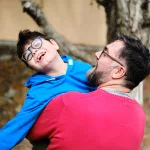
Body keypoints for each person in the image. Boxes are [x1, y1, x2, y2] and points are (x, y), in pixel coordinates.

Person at [27, 33, 150, 150]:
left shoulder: (68, 103)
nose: (97, 54)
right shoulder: (139, 115)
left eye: (104, 53)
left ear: (118, 72)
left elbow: (30, 131)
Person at [0, 29, 96, 149]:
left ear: (54, 44)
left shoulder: (84, 70)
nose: (34, 52)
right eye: (28, 55)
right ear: (32, 67)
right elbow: (17, 126)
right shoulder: (39, 91)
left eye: (36, 44)